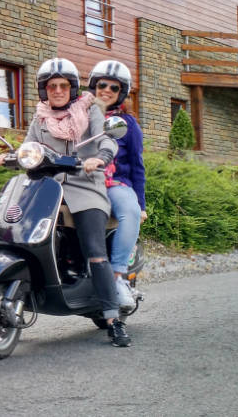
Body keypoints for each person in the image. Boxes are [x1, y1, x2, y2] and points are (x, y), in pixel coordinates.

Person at [0, 58, 131, 347]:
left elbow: (107, 140)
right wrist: (8, 157)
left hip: (85, 188)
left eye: (63, 85)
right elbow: (29, 147)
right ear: (44, 90)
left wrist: (100, 158)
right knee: (21, 229)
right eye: (51, 86)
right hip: (49, 189)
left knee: (94, 249)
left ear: (72, 88)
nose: (57, 90)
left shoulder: (90, 111)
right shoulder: (41, 117)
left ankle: (112, 318)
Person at [88, 60, 146, 310]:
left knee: (130, 212)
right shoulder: (80, 115)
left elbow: (137, 165)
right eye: (102, 85)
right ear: (94, 86)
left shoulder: (128, 124)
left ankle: (118, 277)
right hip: (83, 181)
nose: (107, 90)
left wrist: (141, 204)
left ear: (121, 92)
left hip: (115, 184)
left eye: (114, 87)